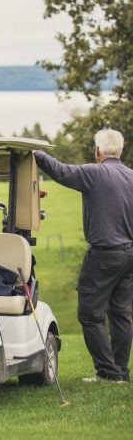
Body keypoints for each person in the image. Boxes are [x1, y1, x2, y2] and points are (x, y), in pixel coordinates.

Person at [34, 129, 133, 383]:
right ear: (119, 151)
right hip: (129, 255)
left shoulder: (94, 173)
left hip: (103, 256)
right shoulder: (131, 176)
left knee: (89, 314)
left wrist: (35, 153)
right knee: (121, 313)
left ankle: (108, 373)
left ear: (97, 151)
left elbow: (60, 171)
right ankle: (120, 372)